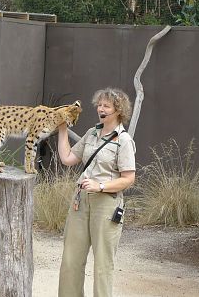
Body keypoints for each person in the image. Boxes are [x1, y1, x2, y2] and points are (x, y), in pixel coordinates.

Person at [58, 87, 136, 297]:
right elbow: (67, 159)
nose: (101, 109)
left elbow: (128, 179)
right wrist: (62, 127)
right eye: (99, 105)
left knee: (102, 266)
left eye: (106, 106)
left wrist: (100, 186)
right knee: (70, 261)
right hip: (81, 202)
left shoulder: (124, 140)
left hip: (107, 205)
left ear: (118, 110)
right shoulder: (91, 134)